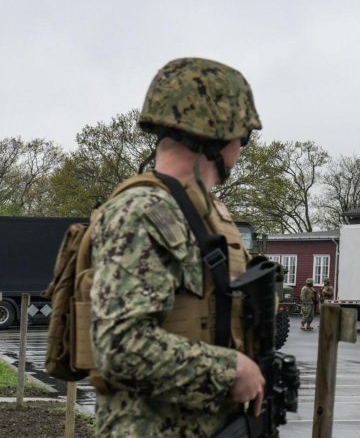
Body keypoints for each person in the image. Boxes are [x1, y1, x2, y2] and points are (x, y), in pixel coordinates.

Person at [89, 57, 265, 436]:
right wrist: (229, 371)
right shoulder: (143, 212)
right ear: (217, 135)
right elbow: (119, 346)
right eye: (243, 136)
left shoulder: (203, 215)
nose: (240, 148)